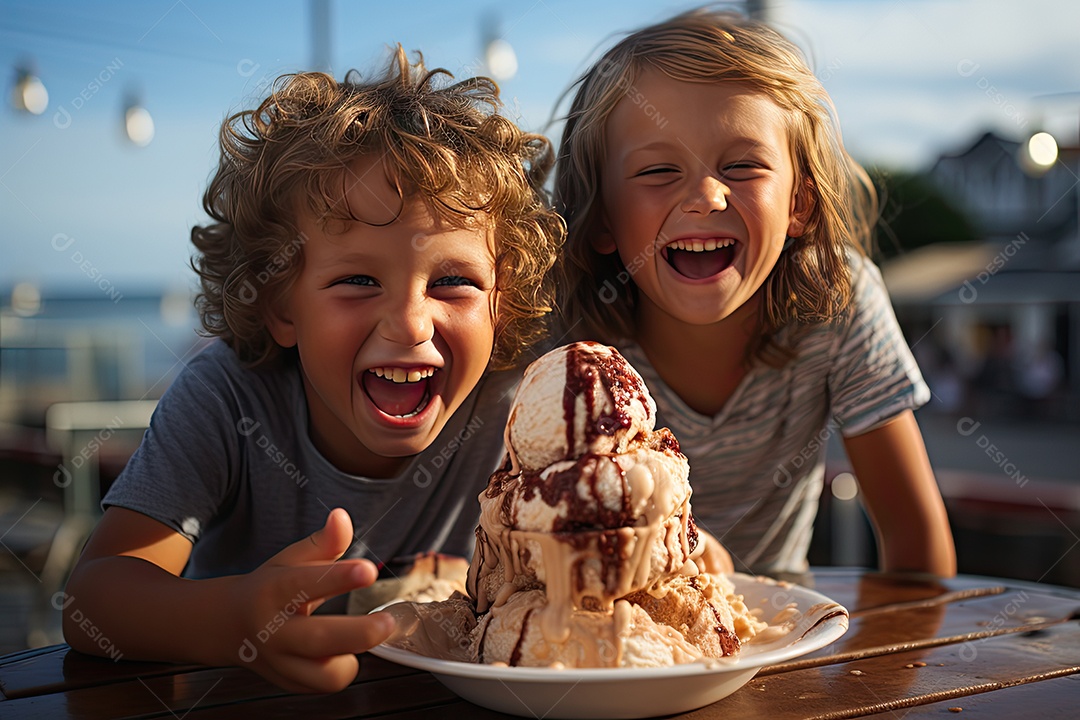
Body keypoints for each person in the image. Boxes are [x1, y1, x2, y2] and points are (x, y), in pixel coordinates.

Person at [63, 47, 564, 693]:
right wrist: (236, 621)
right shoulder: (230, 399)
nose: (410, 323)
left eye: (453, 281)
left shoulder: (519, 415)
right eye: (357, 280)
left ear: (504, 305)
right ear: (279, 304)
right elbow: (93, 599)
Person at [552, 9, 955, 578]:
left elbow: (917, 550)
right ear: (600, 218)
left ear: (800, 204)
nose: (706, 196)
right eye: (658, 171)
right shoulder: (559, 331)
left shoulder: (839, 301)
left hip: (775, 638)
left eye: (742, 165)